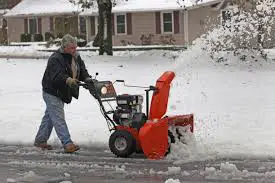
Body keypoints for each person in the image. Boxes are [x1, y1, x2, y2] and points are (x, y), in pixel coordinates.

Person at [34, 34, 91, 153]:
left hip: (62, 91)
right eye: (71, 48)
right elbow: (57, 76)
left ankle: (40, 140)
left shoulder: (76, 57)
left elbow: (82, 71)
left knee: (50, 116)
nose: (74, 50)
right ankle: (67, 143)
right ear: (64, 47)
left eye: (75, 47)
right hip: (52, 92)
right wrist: (69, 80)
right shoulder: (56, 58)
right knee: (58, 117)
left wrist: (87, 79)